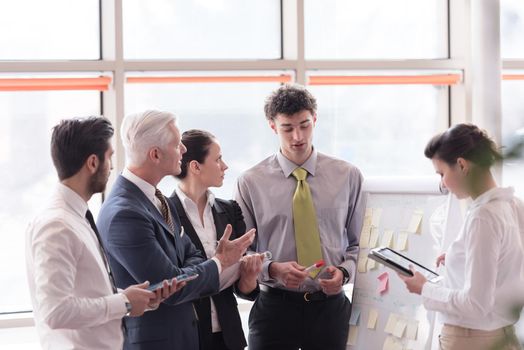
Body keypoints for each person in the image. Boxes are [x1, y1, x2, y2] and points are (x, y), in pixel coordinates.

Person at [97, 110, 255, 350]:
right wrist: (220, 261)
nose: (183, 149)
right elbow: (170, 285)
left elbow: (191, 255)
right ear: (155, 154)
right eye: (176, 143)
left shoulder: (156, 199)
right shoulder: (125, 212)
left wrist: (187, 270)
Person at [26, 116, 179, 350]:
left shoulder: (75, 216)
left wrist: (132, 298)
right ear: (93, 163)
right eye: (110, 158)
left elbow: (85, 291)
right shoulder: (57, 225)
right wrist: (124, 302)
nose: (112, 167)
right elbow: (56, 311)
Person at [235, 84, 365, 350]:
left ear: (315, 119)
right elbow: (240, 252)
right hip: (274, 310)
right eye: (287, 128)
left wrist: (343, 272)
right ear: (272, 126)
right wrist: (272, 269)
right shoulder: (250, 182)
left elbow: (360, 243)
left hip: (331, 310)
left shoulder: (348, 176)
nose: (297, 136)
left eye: (305, 125)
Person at [399, 123, 524, 350]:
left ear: (462, 165)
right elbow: (508, 262)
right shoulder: (512, 204)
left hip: (471, 340)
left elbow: (476, 304)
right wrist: (461, 255)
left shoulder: (482, 217)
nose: (442, 184)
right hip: (502, 337)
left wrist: (424, 288)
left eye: (442, 173)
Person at [170, 129, 263, 350]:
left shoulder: (230, 210)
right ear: (195, 166)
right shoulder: (165, 213)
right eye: (218, 158)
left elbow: (244, 288)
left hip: (228, 337)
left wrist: (249, 278)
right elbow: (176, 279)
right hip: (187, 337)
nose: (225, 166)